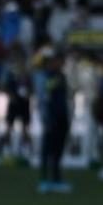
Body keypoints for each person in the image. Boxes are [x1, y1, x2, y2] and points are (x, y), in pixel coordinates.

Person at [36, 46, 73, 193]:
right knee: (48, 149)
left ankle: (56, 178)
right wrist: (46, 117)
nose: (59, 63)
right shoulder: (43, 76)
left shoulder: (61, 76)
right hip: (51, 117)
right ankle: (44, 180)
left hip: (62, 116)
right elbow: (42, 97)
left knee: (58, 150)